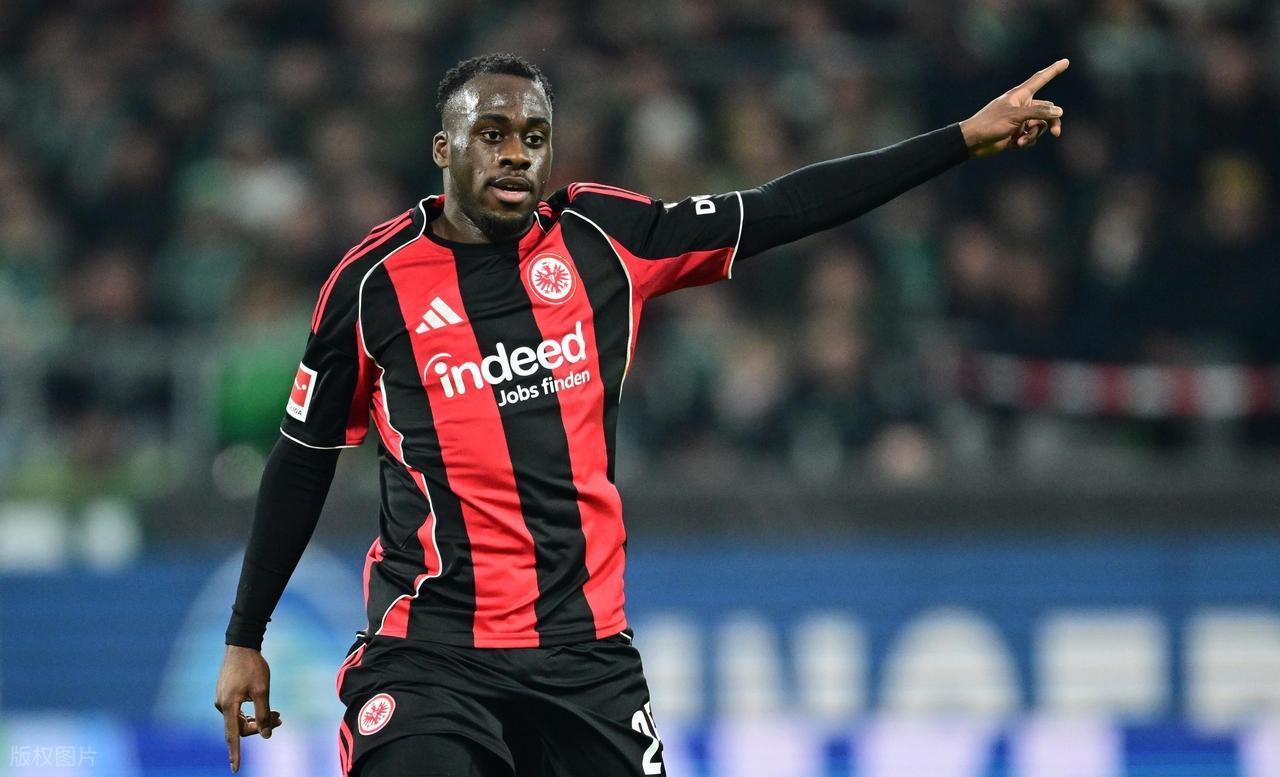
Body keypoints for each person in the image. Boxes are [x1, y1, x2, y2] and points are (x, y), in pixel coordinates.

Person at [214, 52, 1068, 776]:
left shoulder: (603, 238)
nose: (515, 155)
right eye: (492, 134)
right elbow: (302, 459)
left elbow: (779, 208)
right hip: (430, 658)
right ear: (444, 148)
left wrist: (961, 139)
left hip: (586, 660)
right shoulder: (371, 287)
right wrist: (246, 634)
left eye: (534, 137)